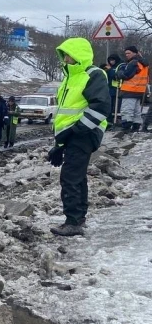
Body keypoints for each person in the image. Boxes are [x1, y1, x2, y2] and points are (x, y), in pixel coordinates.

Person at [47, 37, 110, 236]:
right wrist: (59, 144)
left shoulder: (93, 74)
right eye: (64, 55)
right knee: (77, 176)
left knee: (70, 177)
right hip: (73, 135)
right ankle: (78, 217)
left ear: (78, 56)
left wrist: (77, 130)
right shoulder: (69, 78)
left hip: (84, 133)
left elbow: (101, 108)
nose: (65, 59)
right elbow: (65, 114)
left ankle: (73, 221)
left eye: (68, 55)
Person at [113, 45, 148, 133]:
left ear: (135, 53)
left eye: (129, 53)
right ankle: (136, 126)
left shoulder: (133, 63)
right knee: (136, 111)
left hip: (130, 90)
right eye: (126, 53)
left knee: (127, 110)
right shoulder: (143, 63)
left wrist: (119, 73)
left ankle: (126, 127)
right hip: (139, 90)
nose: (127, 55)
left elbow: (126, 75)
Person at [103, 53, 124, 126]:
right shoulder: (109, 67)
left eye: (112, 60)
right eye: (110, 60)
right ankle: (109, 120)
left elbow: (116, 76)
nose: (111, 62)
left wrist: (110, 70)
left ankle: (116, 120)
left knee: (116, 107)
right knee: (109, 106)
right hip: (110, 89)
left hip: (117, 89)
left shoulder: (120, 66)